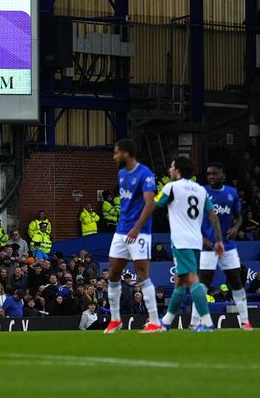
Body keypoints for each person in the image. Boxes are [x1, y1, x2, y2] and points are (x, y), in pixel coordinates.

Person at [157, 157, 224, 332]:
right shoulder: (200, 190)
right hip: (195, 241)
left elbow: (155, 204)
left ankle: (208, 323)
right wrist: (218, 240)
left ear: (177, 170)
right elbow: (212, 216)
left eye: (171, 167)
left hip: (181, 241)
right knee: (180, 282)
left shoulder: (171, 187)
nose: (169, 170)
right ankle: (166, 322)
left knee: (193, 280)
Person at [104, 138, 161, 334]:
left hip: (140, 232)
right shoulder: (121, 173)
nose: (114, 156)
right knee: (113, 273)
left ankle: (154, 321)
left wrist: (136, 228)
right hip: (121, 230)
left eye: (116, 152)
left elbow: (150, 203)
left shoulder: (145, 174)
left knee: (142, 274)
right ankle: (115, 320)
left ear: (126, 153)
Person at [191, 162, 251, 330]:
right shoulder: (202, 192)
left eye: (214, 174)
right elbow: (193, 218)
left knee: (236, 281)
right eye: (209, 174)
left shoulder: (231, 193)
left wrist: (236, 227)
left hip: (228, 246)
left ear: (222, 175)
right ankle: (195, 322)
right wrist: (202, 238)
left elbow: (239, 216)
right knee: (203, 283)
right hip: (208, 246)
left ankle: (245, 321)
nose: (211, 177)